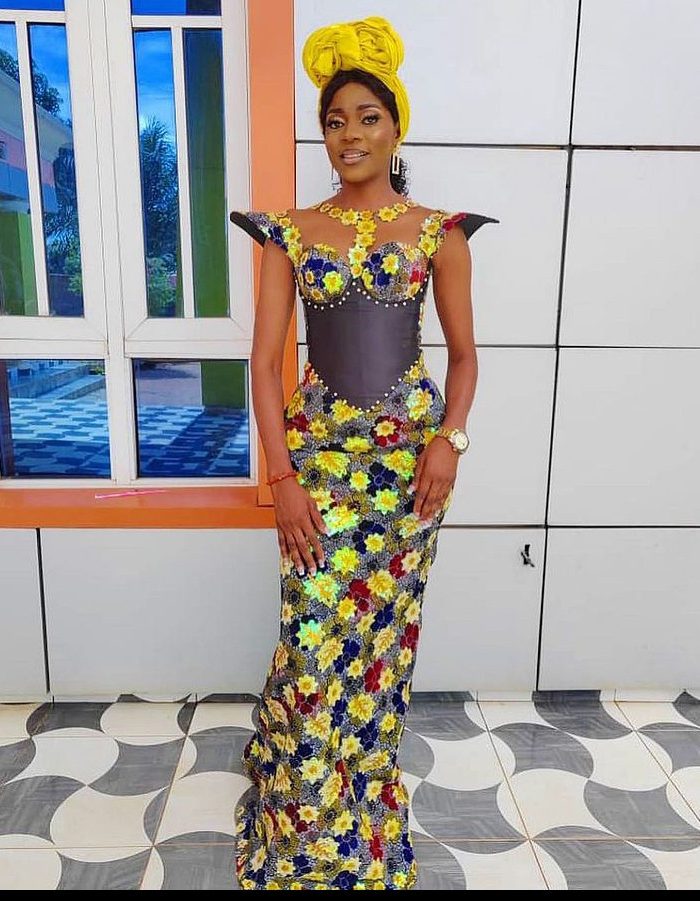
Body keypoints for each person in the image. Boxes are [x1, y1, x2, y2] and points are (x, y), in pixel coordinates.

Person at [229, 15, 498, 891]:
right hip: (316, 468)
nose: (350, 133)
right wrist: (280, 478)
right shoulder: (290, 233)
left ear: (396, 127)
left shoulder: (438, 233)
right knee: (312, 643)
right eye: (335, 119)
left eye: (367, 117)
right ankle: (302, 822)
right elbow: (264, 365)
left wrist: (450, 442)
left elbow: (465, 358)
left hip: (408, 475)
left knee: (382, 646)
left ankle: (360, 812)